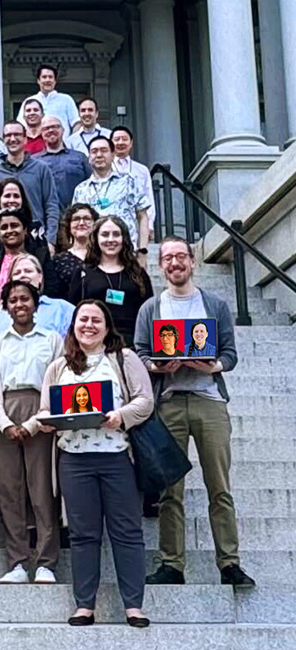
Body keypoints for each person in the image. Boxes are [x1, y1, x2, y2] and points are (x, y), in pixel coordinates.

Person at [136, 237, 255, 588]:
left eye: (180, 257)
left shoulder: (214, 304)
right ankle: (172, 564)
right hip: (169, 401)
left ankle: (229, 562)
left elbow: (230, 354)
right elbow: (140, 351)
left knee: (219, 486)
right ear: (160, 266)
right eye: (167, 258)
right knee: (170, 489)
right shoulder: (151, 308)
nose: (174, 263)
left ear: (192, 261)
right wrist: (157, 367)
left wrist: (212, 365)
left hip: (209, 401)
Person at [36, 300, 152, 627]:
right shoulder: (58, 366)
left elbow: (145, 400)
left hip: (116, 456)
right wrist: (47, 422)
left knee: (127, 531)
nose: (89, 325)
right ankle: (84, 605)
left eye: (96, 320)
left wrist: (121, 416)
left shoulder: (123, 358)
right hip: (75, 461)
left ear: (107, 325)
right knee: (83, 534)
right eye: (83, 319)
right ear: (73, 325)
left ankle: (134, 606)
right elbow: (46, 409)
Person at [0, 279, 63, 584]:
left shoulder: (51, 339)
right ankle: (17, 562)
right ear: (6, 306)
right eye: (13, 300)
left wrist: (32, 424)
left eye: (25, 299)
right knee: (9, 491)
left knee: (42, 490)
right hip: (4, 415)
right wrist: (4, 422)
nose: (19, 305)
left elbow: (57, 381)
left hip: (41, 414)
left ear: (35, 303)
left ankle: (45, 562)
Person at [68, 217, 152, 344]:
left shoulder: (138, 273)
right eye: (105, 235)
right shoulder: (83, 273)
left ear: (124, 239)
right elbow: (73, 312)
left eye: (116, 234)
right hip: (95, 342)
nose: (111, 239)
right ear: (96, 238)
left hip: (132, 343)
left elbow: (149, 312)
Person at [0, 253, 75, 353]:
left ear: (40, 277)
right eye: (17, 273)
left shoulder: (61, 308)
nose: (23, 275)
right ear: (11, 281)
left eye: (28, 271)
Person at [72, 135, 150, 254]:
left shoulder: (129, 181)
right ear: (89, 157)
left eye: (104, 151)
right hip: (93, 254)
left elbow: (142, 216)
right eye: (94, 151)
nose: (99, 155)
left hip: (126, 252)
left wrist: (143, 250)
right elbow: (77, 224)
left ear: (113, 155)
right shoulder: (81, 189)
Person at [0, 122, 60, 245]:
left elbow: (51, 205)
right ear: (3, 140)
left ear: (25, 139)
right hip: (5, 240)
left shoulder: (41, 169)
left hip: (37, 238)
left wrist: (50, 240)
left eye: (17, 135)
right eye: (8, 135)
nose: (13, 139)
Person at [0, 208, 51, 316]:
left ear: (25, 230)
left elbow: (52, 290)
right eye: (4, 227)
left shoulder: (41, 256)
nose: (9, 230)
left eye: (14, 225)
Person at [34, 116, 90, 213]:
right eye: (46, 128)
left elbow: (91, 184)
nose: (51, 130)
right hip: (46, 217)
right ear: (41, 133)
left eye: (55, 127)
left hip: (76, 216)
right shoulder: (33, 161)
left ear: (63, 130)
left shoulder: (79, 157)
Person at [45, 204, 96, 301]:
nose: (81, 223)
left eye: (87, 219)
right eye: (76, 219)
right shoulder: (58, 260)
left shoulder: (103, 256)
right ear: (69, 226)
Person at [112, 127, 156, 228]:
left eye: (124, 139)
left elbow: (148, 197)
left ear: (131, 143)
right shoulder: (106, 168)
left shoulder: (142, 170)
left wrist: (149, 225)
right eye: (117, 139)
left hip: (137, 223)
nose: (120, 142)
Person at [17, 63, 79, 132]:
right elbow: (20, 125)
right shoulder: (29, 101)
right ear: (38, 81)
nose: (47, 80)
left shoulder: (66, 99)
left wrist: (72, 141)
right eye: (44, 77)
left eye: (50, 77)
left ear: (55, 81)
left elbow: (76, 123)